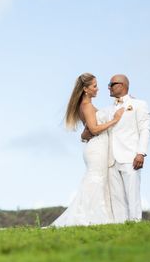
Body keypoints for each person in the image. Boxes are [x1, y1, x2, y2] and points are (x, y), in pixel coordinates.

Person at [50, 73, 124, 227]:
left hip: (95, 147)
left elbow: (87, 131)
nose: (98, 89)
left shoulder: (84, 105)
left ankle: (99, 217)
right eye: (94, 86)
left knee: (98, 181)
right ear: (85, 89)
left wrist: (84, 135)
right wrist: (115, 120)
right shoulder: (87, 106)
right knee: (96, 181)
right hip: (96, 148)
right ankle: (92, 218)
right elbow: (94, 129)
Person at [82, 74, 150, 222]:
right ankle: (121, 226)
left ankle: (135, 224)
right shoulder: (107, 110)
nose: (108, 87)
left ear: (122, 85)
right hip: (110, 159)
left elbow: (145, 129)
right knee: (116, 197)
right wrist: (85, 133)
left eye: (111, 84)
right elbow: (92, 123)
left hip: (130, 157)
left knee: (132, 194)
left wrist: (141, 153)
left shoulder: (139, 104)